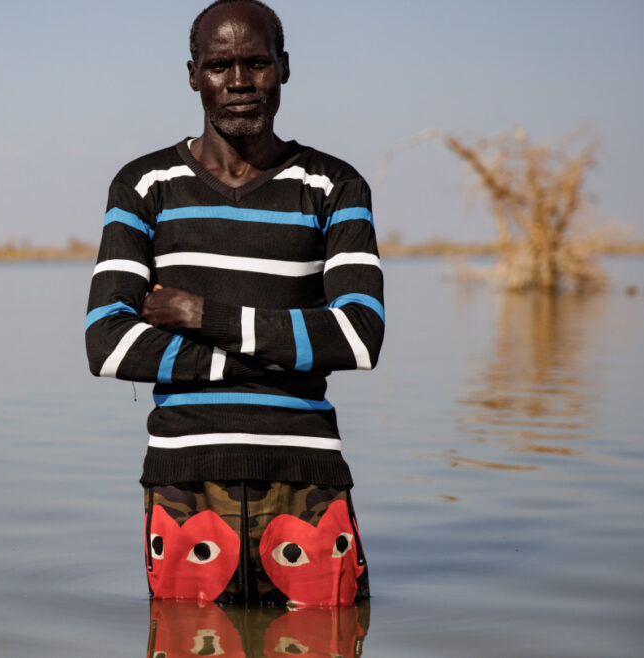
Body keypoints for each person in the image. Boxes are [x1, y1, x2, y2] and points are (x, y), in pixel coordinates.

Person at [85, 0, 383, 607]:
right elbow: (108, 344)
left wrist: (203, 318)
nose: (241, 82)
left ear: (285, 68)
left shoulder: (335, 186)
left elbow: (358, 337)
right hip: (183, 486)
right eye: (221, 65)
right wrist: (276, 356)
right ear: (193, 73)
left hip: (307, 482)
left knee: (327, 643)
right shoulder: (144, 187)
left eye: (257, 63)